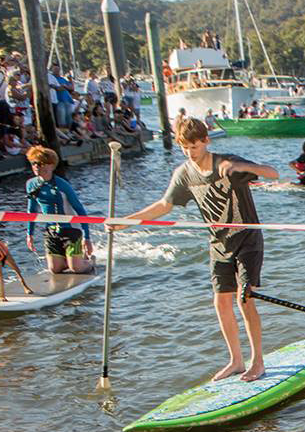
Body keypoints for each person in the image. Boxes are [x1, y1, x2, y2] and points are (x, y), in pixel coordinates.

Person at [116, 116, 279, 381]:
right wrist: (125, 222)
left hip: (247, 239)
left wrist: (239, 166)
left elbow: (273, 173)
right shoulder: (184, 174)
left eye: (194, 146)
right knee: (221, 302)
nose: (190, 153)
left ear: (206, 140)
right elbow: (164, 206)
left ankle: (257, 362)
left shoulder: (225, 163)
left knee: (245, 299)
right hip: (218, 243)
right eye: (184, 148)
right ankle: (236, 361)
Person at [24, 146, 94, 273]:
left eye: (40, 164)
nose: (36, 167)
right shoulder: (31, 184)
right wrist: (30, 234)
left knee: (76, 268)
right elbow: (31, 211)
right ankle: (69, 259)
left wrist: (87, 237)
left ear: (51, 166)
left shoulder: (62, 185)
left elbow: (80, 209)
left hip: (71, 228)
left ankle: (90, 262)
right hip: (51, 229)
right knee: (54, 269)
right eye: (33, 163)